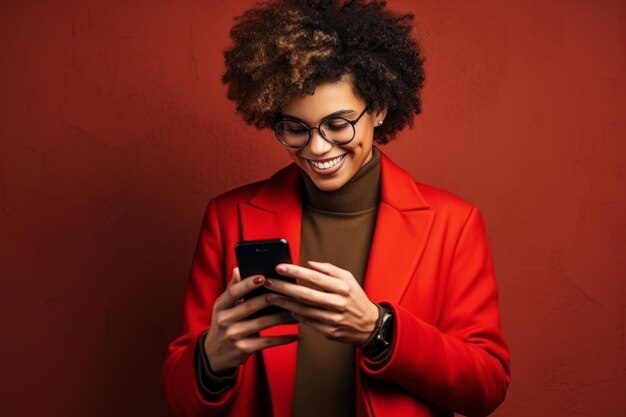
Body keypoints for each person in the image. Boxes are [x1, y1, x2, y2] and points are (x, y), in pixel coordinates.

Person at [161, 1, 511, 416]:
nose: (317, 147)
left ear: (378, 109)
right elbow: (180, 396)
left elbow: (486, 385)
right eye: (296, 128)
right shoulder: (227, 216)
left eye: (338, 124)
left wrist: (378, 330)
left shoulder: (452, 224)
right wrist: (211, 358)